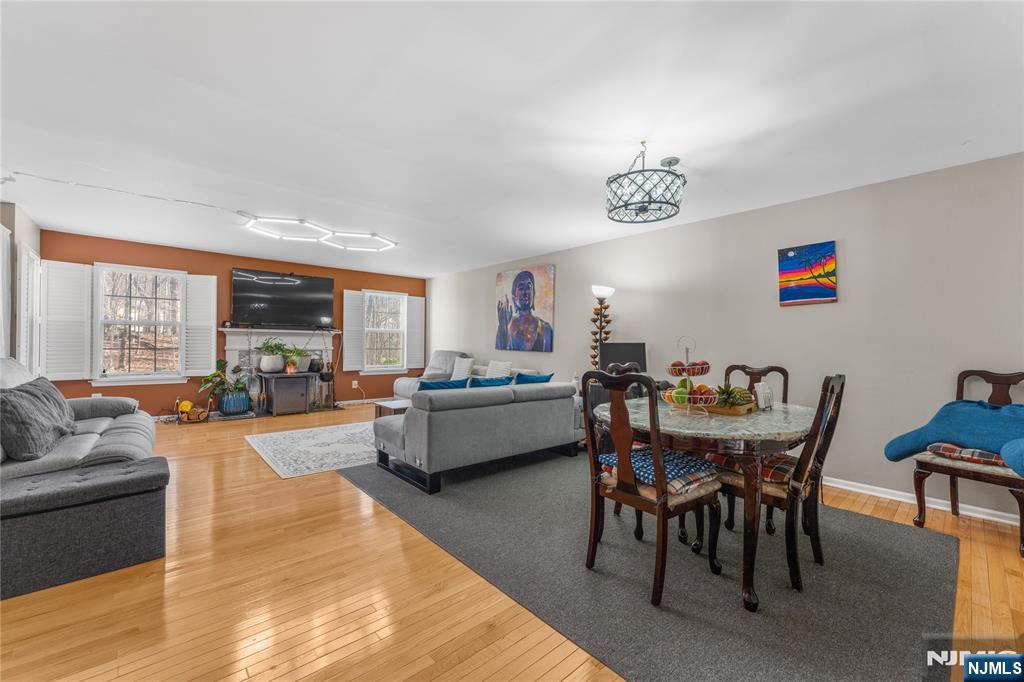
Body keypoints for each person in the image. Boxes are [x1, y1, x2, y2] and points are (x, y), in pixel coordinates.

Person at [495, 270, 553, 352]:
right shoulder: (506, 327)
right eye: (521, 288)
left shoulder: (546, 328)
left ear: (533, 293)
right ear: (514, 296)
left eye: (529, 288)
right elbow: (499, 351)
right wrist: (502, 327)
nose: (525, 292)